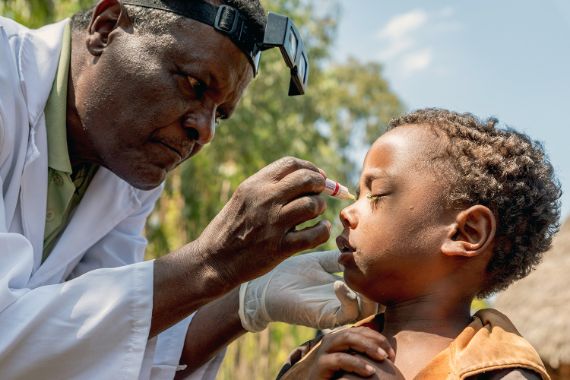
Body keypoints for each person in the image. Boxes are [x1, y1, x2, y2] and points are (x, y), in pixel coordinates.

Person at [0, 1, 375, 379]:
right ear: (106, 26)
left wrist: (245, 301)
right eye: (194, 85)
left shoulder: (126, 163)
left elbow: (104, 345)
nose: (206, 132)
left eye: (221, 114)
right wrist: (214, 262)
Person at [277, 108, 561, 380]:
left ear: (466, 233)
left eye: (376, 194)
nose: (346, 212)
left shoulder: (506, 373)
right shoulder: (315, 358)